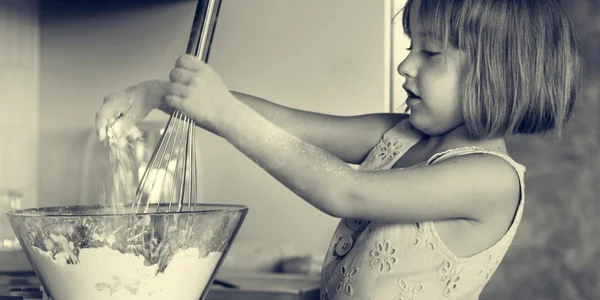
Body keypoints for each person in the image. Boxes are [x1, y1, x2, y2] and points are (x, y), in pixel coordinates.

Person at [95, 0, 584, 298]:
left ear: (498, 73)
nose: (406, 65)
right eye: (411, 45)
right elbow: (289, 126)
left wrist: (223, 110)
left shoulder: (489, 179)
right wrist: (161, 94)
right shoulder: (402, 135)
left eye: (430, 53)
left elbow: (346, 192)